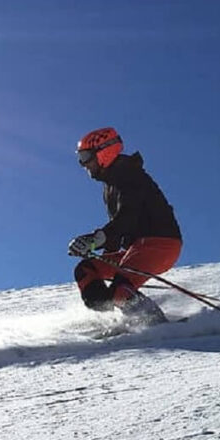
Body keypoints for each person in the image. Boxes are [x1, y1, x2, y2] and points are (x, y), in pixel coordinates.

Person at [68, 127, 183, 324]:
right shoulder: (110, 185)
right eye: (80, 157)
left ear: (104, 151)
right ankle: (111, 320)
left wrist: (94, 241)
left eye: (86, 156)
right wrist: (101, 252)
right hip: (136, 248)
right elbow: (119, 230)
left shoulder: (130, 175)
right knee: (87, 270)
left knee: (121, 292)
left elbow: (127, 217)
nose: (83, 164)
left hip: (160, 244)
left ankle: (158, 325)